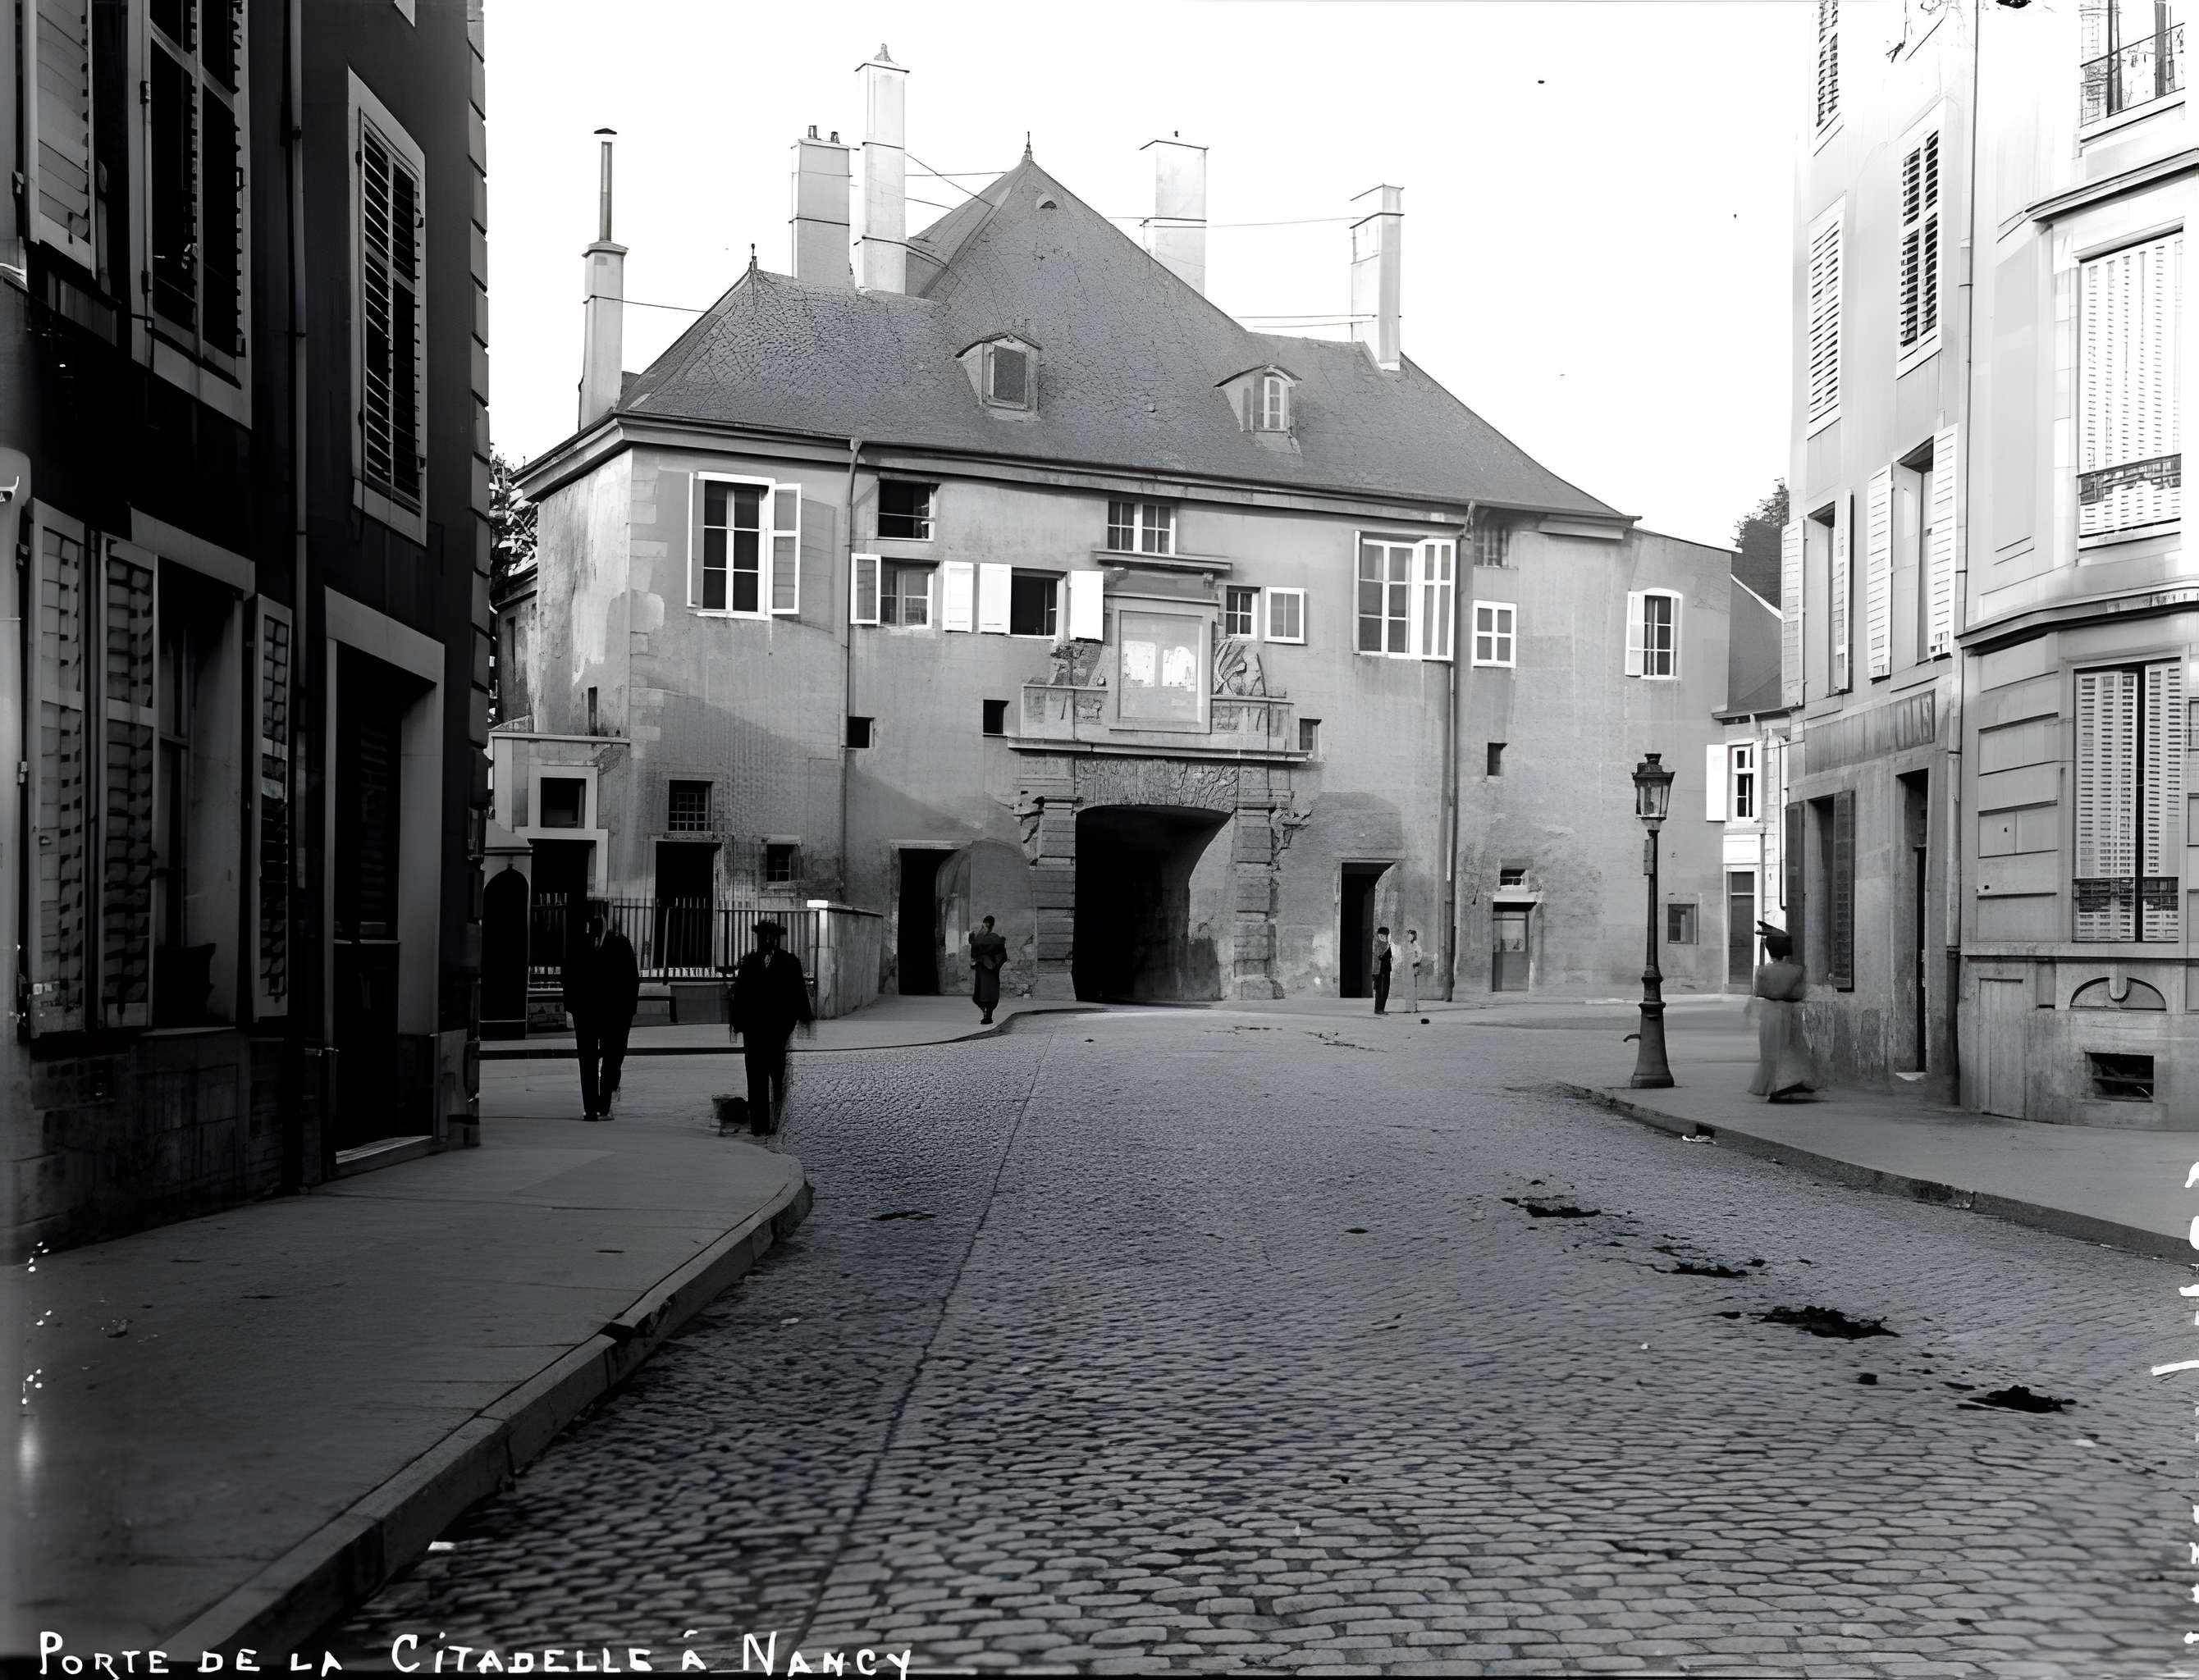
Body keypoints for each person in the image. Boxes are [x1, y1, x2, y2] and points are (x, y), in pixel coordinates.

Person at [729, 919, 815, 1135]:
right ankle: (759, 1125)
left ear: (776, 939)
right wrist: (737, 1022)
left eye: (771, 937)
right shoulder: (749, 962)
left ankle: (776, 1121)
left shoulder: (789, 962)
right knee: (756, 1075)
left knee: (777, 1075)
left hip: (778, 1027)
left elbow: (798, 991)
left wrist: (803, 1017)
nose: (767, 941)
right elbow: (740, 994)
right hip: (754, 1027)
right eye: (763, 937)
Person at [565, 906, 640, 1121]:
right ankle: (599, 1105)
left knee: (599, 1058)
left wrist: (573, 1006)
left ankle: (595, 1105)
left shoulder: (584, 945)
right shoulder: (618, 944)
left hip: (598, 1012)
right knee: (602, 1057)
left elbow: (569, 977)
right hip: (605, 1012)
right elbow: (631, 980)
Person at [1748, 924, 1818, 1102]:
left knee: (1769, 1050)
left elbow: (1758, 992)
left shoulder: (1763, 971)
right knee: (1789, 1047)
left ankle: (1769, 1085)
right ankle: (1785, 1084)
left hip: (1768, 1011)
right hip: (1788, 1010)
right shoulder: (1797, 971)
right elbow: (1800, 994)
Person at [968, 915, 1008, 1025]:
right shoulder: (992, 938)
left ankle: (987, 1015)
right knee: (983, 996)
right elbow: (1002, 956)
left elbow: (976, 950)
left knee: (984, 995)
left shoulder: (991, 938)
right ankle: (987, 1015)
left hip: (988, 970)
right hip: (986, 970)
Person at [1399, 929, 1424, 1014]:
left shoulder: (1416, 945)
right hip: (1406, 967)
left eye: (1411, 936)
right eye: (1408, 936)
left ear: (1414, 936)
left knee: (1413, 987)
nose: (1409, 937)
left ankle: (1413, 1008)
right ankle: (1408, 1007)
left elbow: (1420, 954)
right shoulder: (1406, 945)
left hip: (1412, 967)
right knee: (1407, 987)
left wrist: (1415, 962)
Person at [1372, 926, 1394, 1016]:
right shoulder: (1378, 944)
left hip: (1387, 969)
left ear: (1386, 935)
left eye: (1383, 935)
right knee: (1380, 990)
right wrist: (1386, 947)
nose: (1381, 936)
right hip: (1379, 971)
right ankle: (1378, 1009)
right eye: (1380, 935)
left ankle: (1381, 1008)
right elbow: (1379, 955)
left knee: (1385, 990)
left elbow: (1389, 956)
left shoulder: (1387, 944)